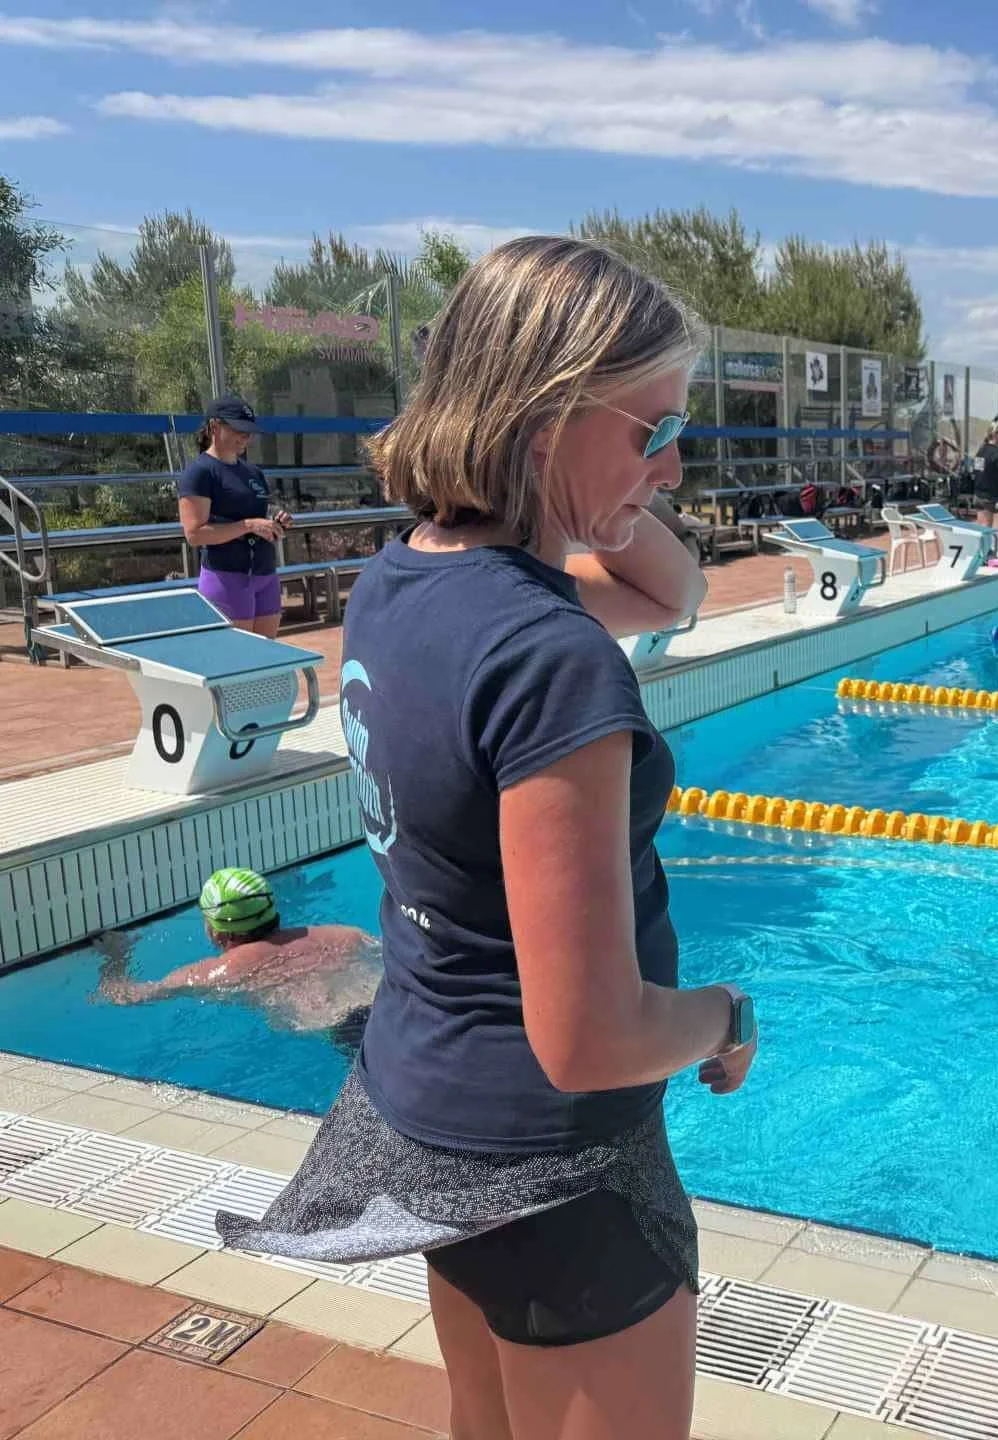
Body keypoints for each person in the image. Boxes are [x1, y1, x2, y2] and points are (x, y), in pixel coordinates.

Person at [216, 236, 757, 1440]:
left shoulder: (401, 582)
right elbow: (590, 1038)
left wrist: (598, 482)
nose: (676, 466)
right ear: (547, 416)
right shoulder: (549, 659)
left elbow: (672, 595)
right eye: (657, 429)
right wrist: (726, 1015)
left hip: (425, 1116)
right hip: (558, 1172)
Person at [94, 868, 380, 1057]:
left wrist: (116, 955)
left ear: (216, 931)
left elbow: (123, 995)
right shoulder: (347, 935)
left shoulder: (218, 972)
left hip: (345, 1031)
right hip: (386, 1008)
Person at [177, 396, 292, 635]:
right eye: (239, 430)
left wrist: (275, 522)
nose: (246, 437)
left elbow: (258, 515)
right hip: (226, 578)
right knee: (236, 656)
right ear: (214, 426)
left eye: (249, 432)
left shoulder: (253, 472)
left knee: (267, 654)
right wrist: (248, 525)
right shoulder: (200, 472)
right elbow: (195, 534)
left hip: (265, 574)